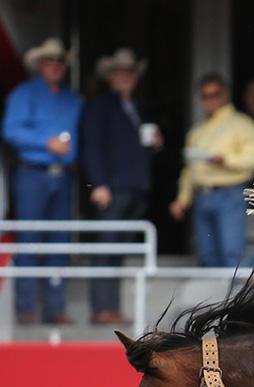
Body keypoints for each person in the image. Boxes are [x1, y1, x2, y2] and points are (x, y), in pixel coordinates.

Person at [2, 37, 82, 324]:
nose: (55, 65)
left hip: (63, 178)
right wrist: (46, 142)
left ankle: (55, 308)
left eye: (59, 60)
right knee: (29, 239)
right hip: (32, 174)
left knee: (60, 242)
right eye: (49, 60)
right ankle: (25, 308)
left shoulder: (73, 98)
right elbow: (10, 130)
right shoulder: (24, 93)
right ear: (39, 64)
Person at [81, 47, 158, 325]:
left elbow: (136, 149)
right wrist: (99, 184)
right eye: (120, 71)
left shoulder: (137, 107)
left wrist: (154, 145)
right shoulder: (100, 106)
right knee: (106, 247)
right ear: (110, 75)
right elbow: (92, 148)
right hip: (112, 188)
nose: (125, 76)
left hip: (135, 187)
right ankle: (101, 308)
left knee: (119, 249)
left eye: (130, 72)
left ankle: (112, 308)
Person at [169, 73, 254, 268]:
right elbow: (191, 170)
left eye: (215, 94)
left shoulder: (241, 123)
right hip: (203, 196)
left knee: (231, 254)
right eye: (205, 96)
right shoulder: (197, 130)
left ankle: (235, 299)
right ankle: (215, 299)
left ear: (225, 95)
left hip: (230, 193)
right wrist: (182, 199)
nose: (210, 100)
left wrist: (225, 160)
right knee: (207, 256)